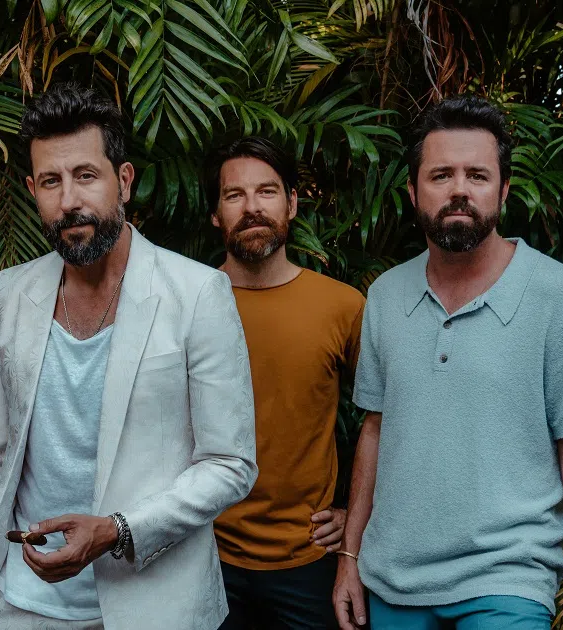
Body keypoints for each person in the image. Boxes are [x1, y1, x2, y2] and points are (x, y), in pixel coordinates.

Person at [0, 82, 258, 630]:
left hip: (155, 606)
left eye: (86, 175)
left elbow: (230, 464)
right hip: (23, 605)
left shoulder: (197, 292)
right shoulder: (10, 293)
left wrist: (117, 530)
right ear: (32, 190)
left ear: (125, 180)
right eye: (51, 181)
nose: (69, 200)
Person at [332, 95, 563, 630]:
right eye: (441, 175)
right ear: (413, 191)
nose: (460, 189)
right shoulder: (385, 295)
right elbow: (375, 428)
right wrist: (350, 557)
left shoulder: (557, 295)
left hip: (507, 581)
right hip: (392, 581)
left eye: (478, 175)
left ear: (504, 190)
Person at [208, 137, 364, 629]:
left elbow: (390, 419)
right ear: (215, 214)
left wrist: (358, 514)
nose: (251, 207)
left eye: (267, 191)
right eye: (234, 195)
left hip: (310, 558)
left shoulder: (343, 306)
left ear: (292, 204)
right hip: (206, 555)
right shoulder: (185, 304)